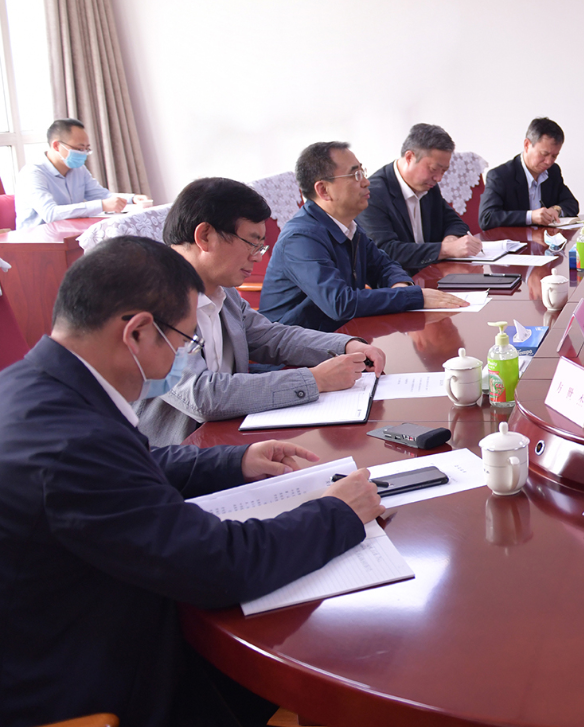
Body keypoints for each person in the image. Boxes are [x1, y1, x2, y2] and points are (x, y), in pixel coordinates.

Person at [0, 235, 383, 727]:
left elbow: (134, 465)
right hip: (82, 674)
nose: (182, 357)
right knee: (334, 649)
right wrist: (337, 513)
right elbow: (220, 564)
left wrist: (233, 463)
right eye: (184, 342)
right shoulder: (73, 444)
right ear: (137, 332)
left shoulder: (36, 383)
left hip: (75, 611)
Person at [138, 177, 390, 446]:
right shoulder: (149, 300)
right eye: (252, 243)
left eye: (261, 246)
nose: (257, 257)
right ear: (205, 236)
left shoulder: (221, 289)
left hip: (229, 436)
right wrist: (315, 380)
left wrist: (346, 345)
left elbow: (269, 336)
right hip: (178, 454)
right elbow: (201, 395)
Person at [260, 141, 467, 332]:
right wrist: (410, 297)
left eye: (363, 172)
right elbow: (340, 303)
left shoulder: (348, 226)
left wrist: (401, 286)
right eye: (355, 175)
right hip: (295, 352)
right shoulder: (301, 239)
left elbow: (384, 266)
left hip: (341, 338)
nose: (366, 182)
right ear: (323, 190)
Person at [356, 123, 481, 274]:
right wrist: (445, 249)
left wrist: (450, 239)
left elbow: (454, 222)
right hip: (396, 281)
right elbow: (386, 251)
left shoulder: (429, 186)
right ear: (409, 157)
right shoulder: (372, 195)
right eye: (434, 169)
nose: (439, 178)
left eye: (444, 171)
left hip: (431, 274)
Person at [14, 117, 150, 230]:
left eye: (86, 149)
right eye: (79, 149)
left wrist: (132, 199)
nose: (83, 154)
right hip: (37, 241)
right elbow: (50, 214)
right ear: (56, 146)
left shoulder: (78, 169)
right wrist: (101, 205)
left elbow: (102, 195)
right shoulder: (33, 173)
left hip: (69, 232)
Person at [478, 116, 579, 230]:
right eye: (544, 154)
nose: (549, 161)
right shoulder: (500, 176)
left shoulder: (553, 171)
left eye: (554, 156)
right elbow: (487, 218)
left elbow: (572, 203)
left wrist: (555, 209)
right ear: (527, 145)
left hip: (545, 239)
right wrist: (530, 217)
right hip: (515, 240)